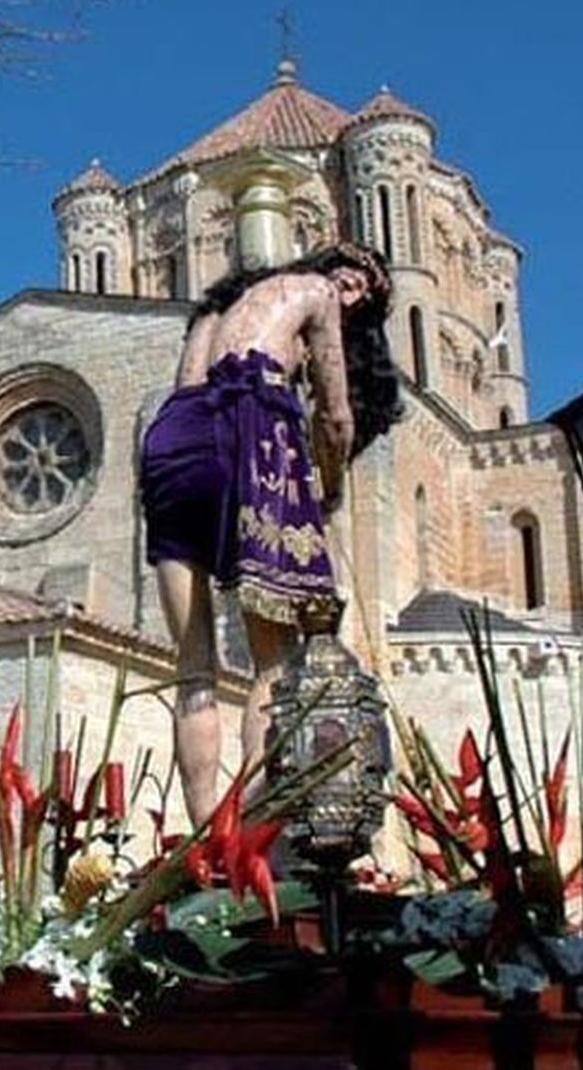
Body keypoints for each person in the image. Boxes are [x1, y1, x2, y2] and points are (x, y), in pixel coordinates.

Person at [140, 243, 402, 826]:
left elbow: (188, 385)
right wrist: (329, 483)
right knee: (275, 660)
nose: (351, 292)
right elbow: (336, 418)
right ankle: (249, 828)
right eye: (356, 282)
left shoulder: (216, 309)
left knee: (194, 665)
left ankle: (205, 833)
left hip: (171, 439)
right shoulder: (315, 293)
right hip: (249, 426)